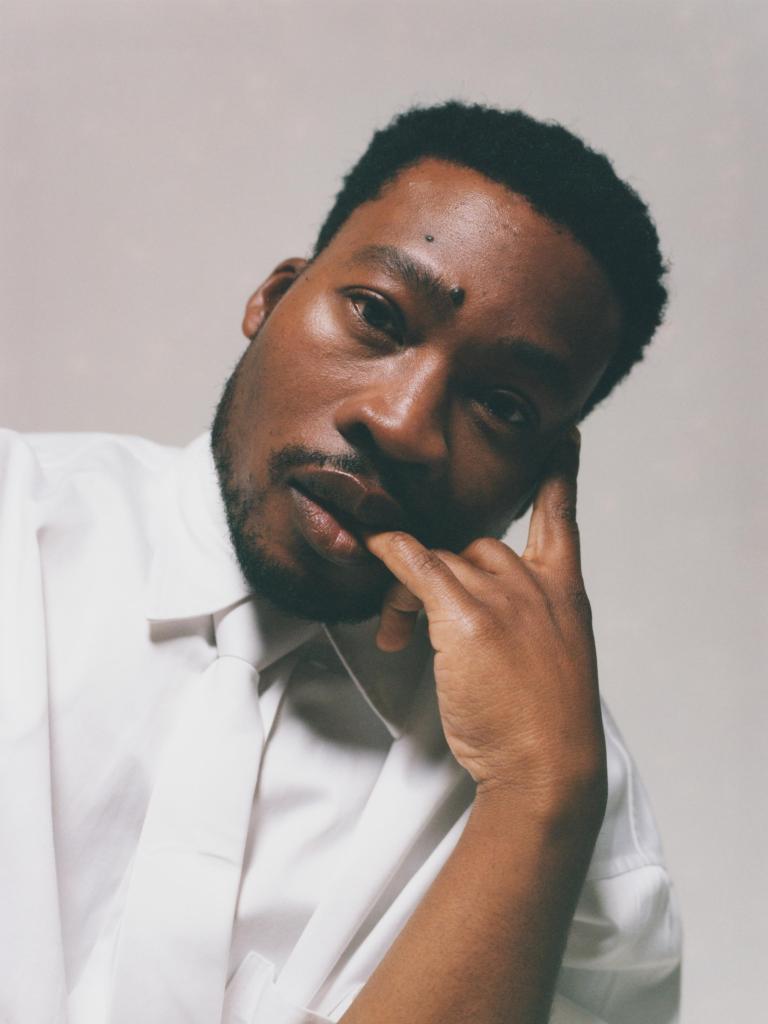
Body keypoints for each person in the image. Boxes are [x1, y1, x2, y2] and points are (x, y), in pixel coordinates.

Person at [0, 102, 681, 1024]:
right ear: (273, 298)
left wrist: (535, 799)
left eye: (504, 405)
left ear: (543, 478)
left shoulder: (568, 793)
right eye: (376, 315)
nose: (401, 424)